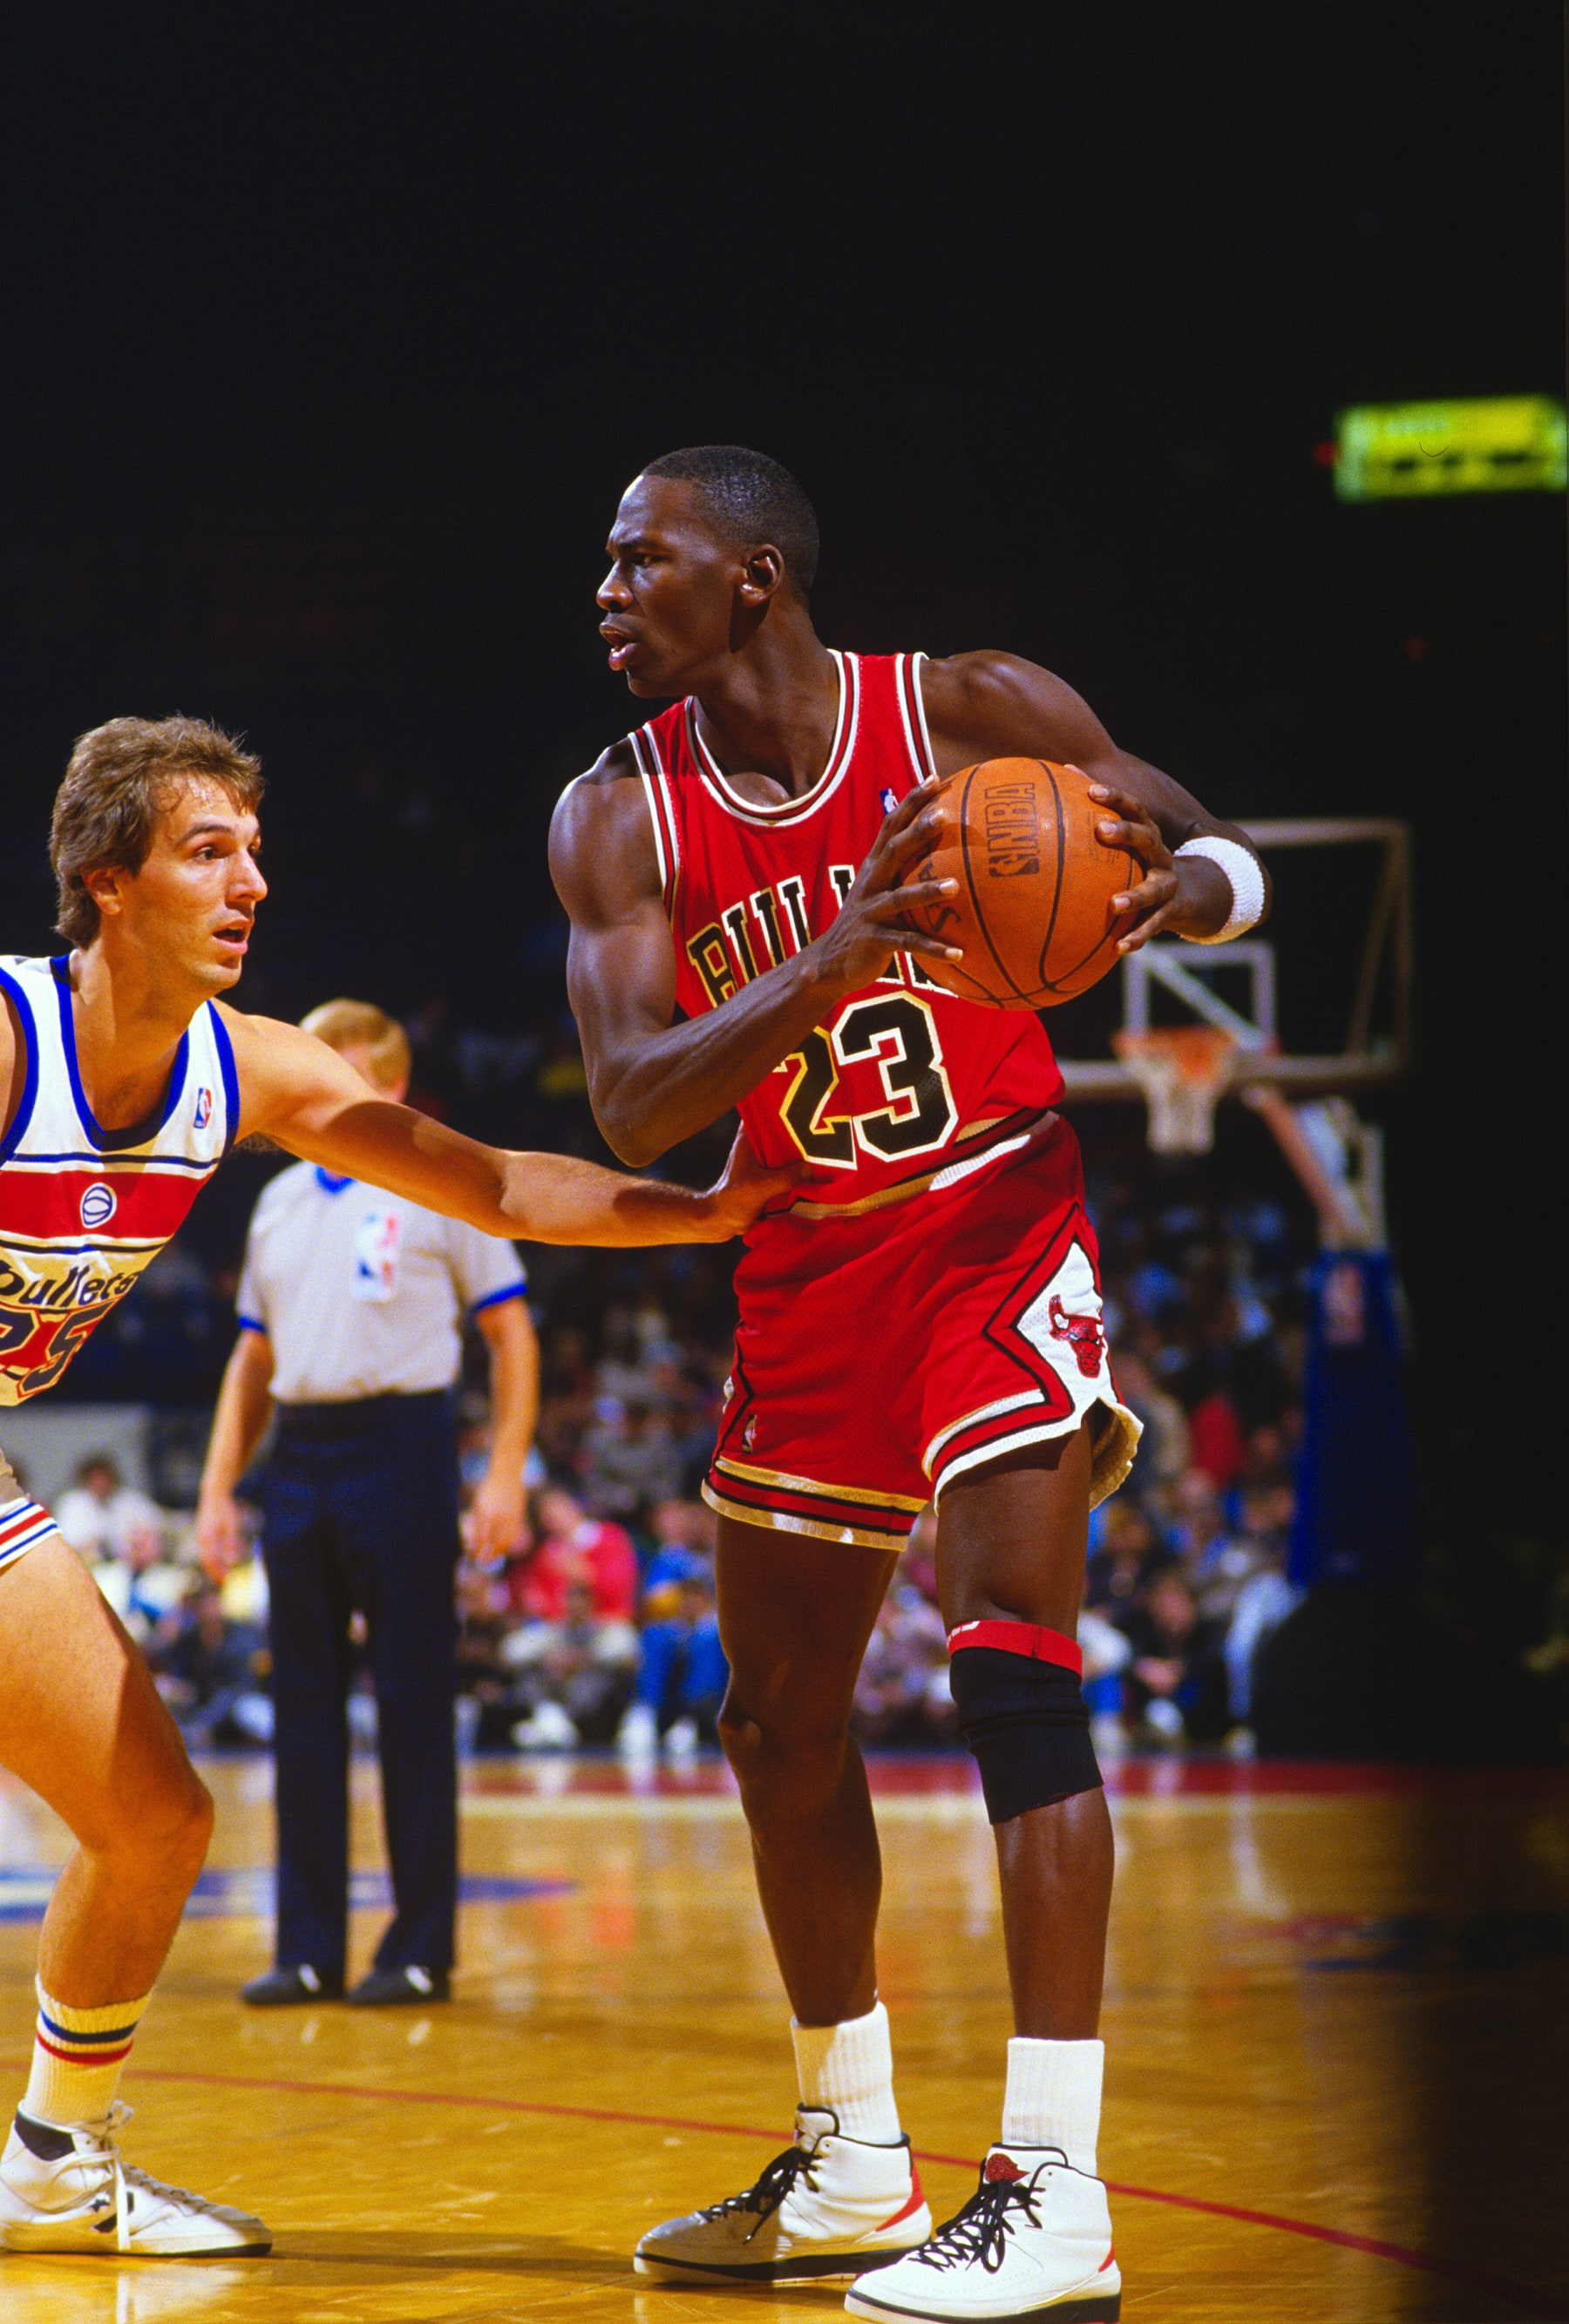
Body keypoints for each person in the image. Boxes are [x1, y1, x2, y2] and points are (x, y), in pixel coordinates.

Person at [550, 447, 1269, 2321]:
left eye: (641, 559)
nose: (608, 591)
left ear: (756, 576)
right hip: (805, 1270)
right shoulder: (615, 812)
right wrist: (832, 959)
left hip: (991, 1225)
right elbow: (631, 1102)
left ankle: (1056, 2188)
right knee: (774, 1725)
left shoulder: (966, 709)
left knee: (1013, 1672)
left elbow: (1215, 848)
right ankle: (855, 2152)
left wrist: (1173, 894)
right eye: (608, 565)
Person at [0, 714, 790, 2259]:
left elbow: (490, 1181)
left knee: (152, 1819)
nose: (252, 881)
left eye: (255, 849)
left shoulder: (250, 1065)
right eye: (207, 851)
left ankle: (51, 2159)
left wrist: (695, 1210)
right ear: (108, 881)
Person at [194, 998, 540, 2007]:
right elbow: (251, 1359)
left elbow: (511, 1334)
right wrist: (218, 1485)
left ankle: (419, 1948)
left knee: (413, 1702)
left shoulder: (437, 1182)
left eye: (336, 1071)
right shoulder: (277, 1201)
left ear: (389, 1083)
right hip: (300, 1453)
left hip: (405, 1445)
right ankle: (306, 1949)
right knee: (301, 1707)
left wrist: (505, 1472)